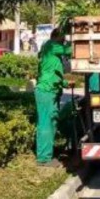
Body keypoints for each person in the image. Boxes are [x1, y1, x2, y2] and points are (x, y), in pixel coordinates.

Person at [34, 25, 72, 166]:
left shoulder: (52, 51)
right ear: (56, 37)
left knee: (53, 122)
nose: (64, 40)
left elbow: (53, 72)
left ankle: (48, 153)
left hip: (51, 90)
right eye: (63, 38)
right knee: (46, 124)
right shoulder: (51, 46)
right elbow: (70, 51)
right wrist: (74, 40)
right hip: (46, 91)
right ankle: (43, 158)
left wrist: (65, 83)